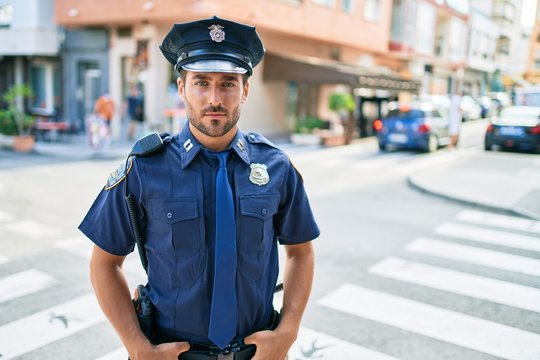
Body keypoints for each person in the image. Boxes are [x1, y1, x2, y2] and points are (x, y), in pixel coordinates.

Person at [79, 16, 320, 360]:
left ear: (246, 90)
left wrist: (289, 330)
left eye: (228, 84)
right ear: (181, 88)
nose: (214, 98)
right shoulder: (145, 168)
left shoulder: (277, 167)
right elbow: (104, 264)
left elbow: (301, 252)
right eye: (202, 82)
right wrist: (137, 346)